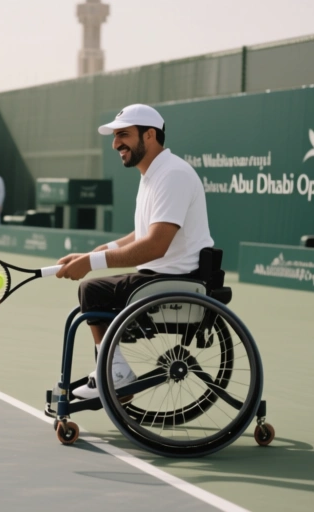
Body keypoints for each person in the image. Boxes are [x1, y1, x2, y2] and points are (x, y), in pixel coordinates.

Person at [55, 104, 214, 400]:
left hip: (175, 280)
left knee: (92, 290)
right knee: (93, 292)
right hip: (164, 277)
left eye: (124, 135)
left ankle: (117, 374)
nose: (116, 144)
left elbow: (155, 245)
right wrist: (98, 251)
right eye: (115, 136)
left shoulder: (172, 174)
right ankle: (112, 369)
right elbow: (141, 234)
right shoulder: (154, 174)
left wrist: (91, 263)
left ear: (150, 135)